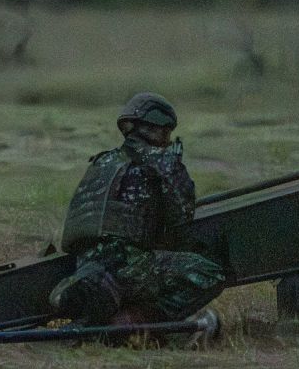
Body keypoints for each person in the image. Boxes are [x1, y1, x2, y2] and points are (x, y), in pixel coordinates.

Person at [49, 92, 226, 329]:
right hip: (125, 263)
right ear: (160, 129)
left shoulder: (105, 160)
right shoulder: (160, 161)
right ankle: (132, 322)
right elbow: (182, 220)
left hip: (85, 261)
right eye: (166, 133)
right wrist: (174, 169)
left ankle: (104, 294)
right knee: (209, 273)